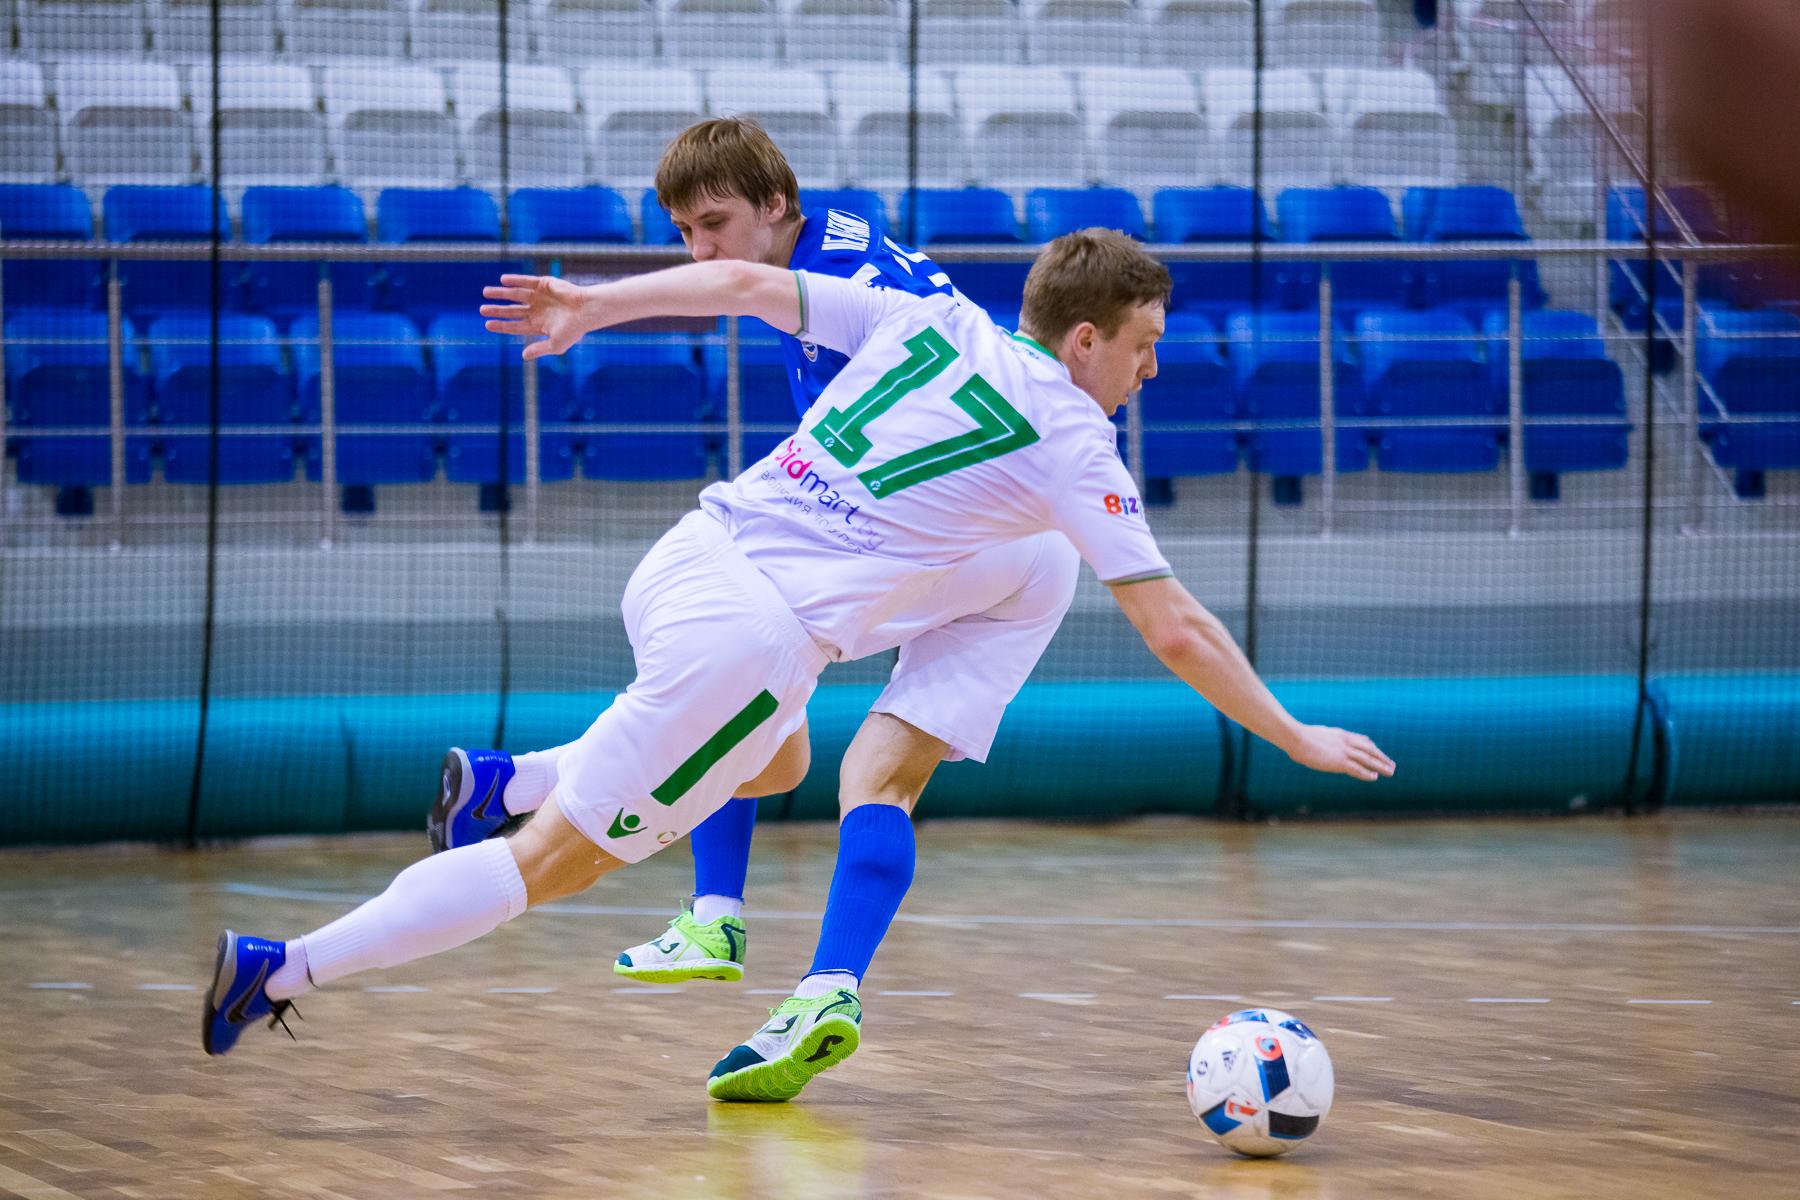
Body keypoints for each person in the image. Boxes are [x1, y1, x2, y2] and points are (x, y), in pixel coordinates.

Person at [204, 232, 1396, 1108]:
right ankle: (282, 969)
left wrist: (591, 305)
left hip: (692, 553)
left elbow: (739, 284)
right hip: (751, 638)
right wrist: (1291, 735)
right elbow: (1176, 628)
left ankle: (511, 780)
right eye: (1144, 347)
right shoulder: (1075, 441)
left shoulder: (934, 322)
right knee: (545, 868)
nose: (1151, 370)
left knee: (775, 759)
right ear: (1086, 339)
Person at [430, 117, 1085, 1072]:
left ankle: (548, 801)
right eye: (685, 232)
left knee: (741, 672)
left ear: (776, 205)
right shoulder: (840, 240)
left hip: (964, 527)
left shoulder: (830, 285)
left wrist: (593, 305)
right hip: (1026, 547)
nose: (702, 250)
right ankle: (810, 980)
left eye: (714, 224)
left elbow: (743, 299)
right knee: (851, 768)